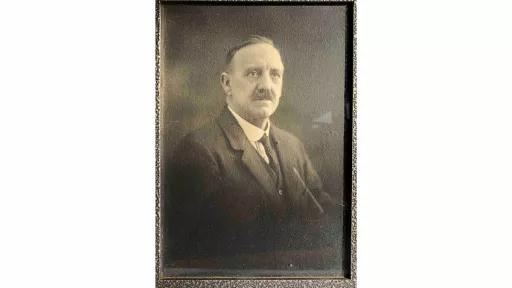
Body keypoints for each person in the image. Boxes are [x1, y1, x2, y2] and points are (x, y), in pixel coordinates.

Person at [162, 36, 340, 271]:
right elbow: (192, 255)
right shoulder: (198, 152)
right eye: (253, 73)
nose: (266, 86)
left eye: (275, 74)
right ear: (226, 84)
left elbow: (323, 217)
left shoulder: (292, 146)